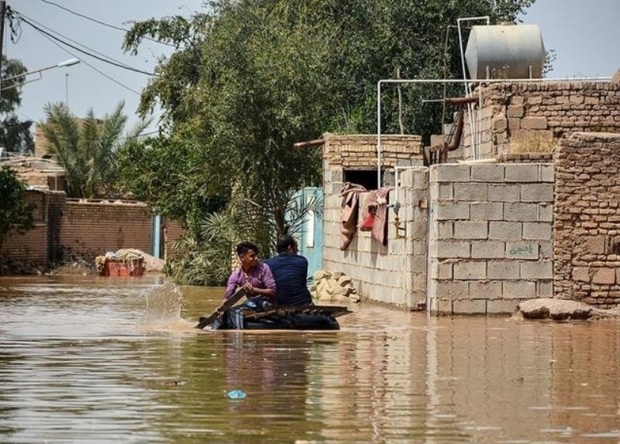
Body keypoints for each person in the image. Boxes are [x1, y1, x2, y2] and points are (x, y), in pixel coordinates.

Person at [217, 242, 276, 329]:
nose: (256, 258)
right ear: (242, 257)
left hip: (266, 303)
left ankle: (238, 336)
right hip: (251, 304)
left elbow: (272, 291)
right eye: (252, 256)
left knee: (235, 312)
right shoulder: (236, 275)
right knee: (223, 314)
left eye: (256, 255)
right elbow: (227, 296)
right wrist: (221, 308)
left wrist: (254, 289)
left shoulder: (263, 268)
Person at [264, 235, 314, 306]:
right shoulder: (302, 261)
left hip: (281, 305)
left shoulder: (267, 264)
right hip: (304, 304)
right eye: (296, 246)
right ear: (290, 248)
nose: (298, 249)